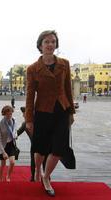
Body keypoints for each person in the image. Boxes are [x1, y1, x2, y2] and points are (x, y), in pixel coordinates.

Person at [25, 30, 75, 196]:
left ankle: (46, 177)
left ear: (56, 44)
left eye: (53, 41)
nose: (50, 44)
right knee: (40, 147)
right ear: (40, 45)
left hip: (62, 110)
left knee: (59, 148)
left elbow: (68, 88)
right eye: (46, 41)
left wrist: (71, 112)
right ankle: (38, 169)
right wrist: (29, 119)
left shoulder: (64, 64)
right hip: (42, 111)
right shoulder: (33, 69)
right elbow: (30, 95)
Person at [17, 106, 47, 182]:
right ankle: (38, 177)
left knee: (40, 161)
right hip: (39, 145)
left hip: (40, 144)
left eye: (24, 114)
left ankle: (38, 177)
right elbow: (16, 134)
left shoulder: (28, 123)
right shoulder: (26, 123)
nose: (23, 116)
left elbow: (16, 134)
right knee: (40, 161)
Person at [0, 105, 17, 182]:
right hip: (2, 145)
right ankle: (0, 177)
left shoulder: (14, 120)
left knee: (12, 162)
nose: (9, 116)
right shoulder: (0, 123)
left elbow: (15, 130)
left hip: (11, 144)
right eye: (8, 114)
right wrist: (3, 152)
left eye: (11, 114)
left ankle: (8, 176)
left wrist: (15, 135)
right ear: (4, 114)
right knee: (3, 163)